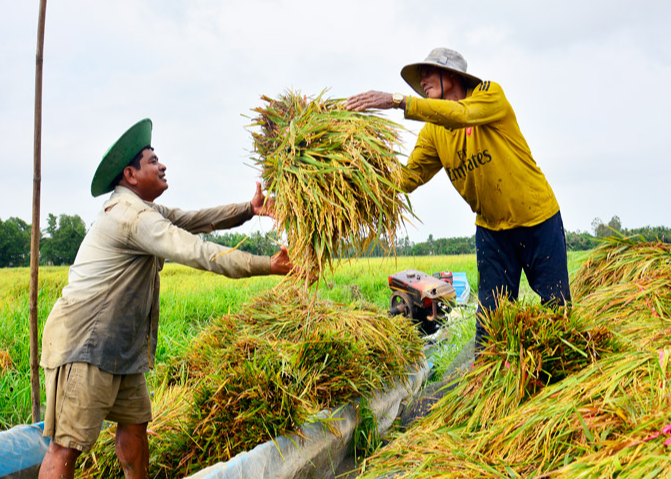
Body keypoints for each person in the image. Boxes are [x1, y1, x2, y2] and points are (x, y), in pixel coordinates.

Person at [38, 118, 293, 479]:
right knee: (66, 447)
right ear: (130, 173)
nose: (163, 166)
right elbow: (196, 251)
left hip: (121, 348)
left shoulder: (147, 211)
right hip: (85, 345)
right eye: (153, 161)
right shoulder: (131, 217)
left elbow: (197, 220)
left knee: (135, 428)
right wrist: (268, 264)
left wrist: (249, 209)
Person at [346, 47, 571, 350]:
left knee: (557, 311)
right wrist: (358, 168)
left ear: (450, 74)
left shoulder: (490, 96)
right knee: (490, 324)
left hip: (537, 220)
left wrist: (396, 101)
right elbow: (407, 179)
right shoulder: (433, 133)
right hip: (492, 232)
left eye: (427, 72)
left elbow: (461, 115)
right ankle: (486, 385)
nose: (422, 81)